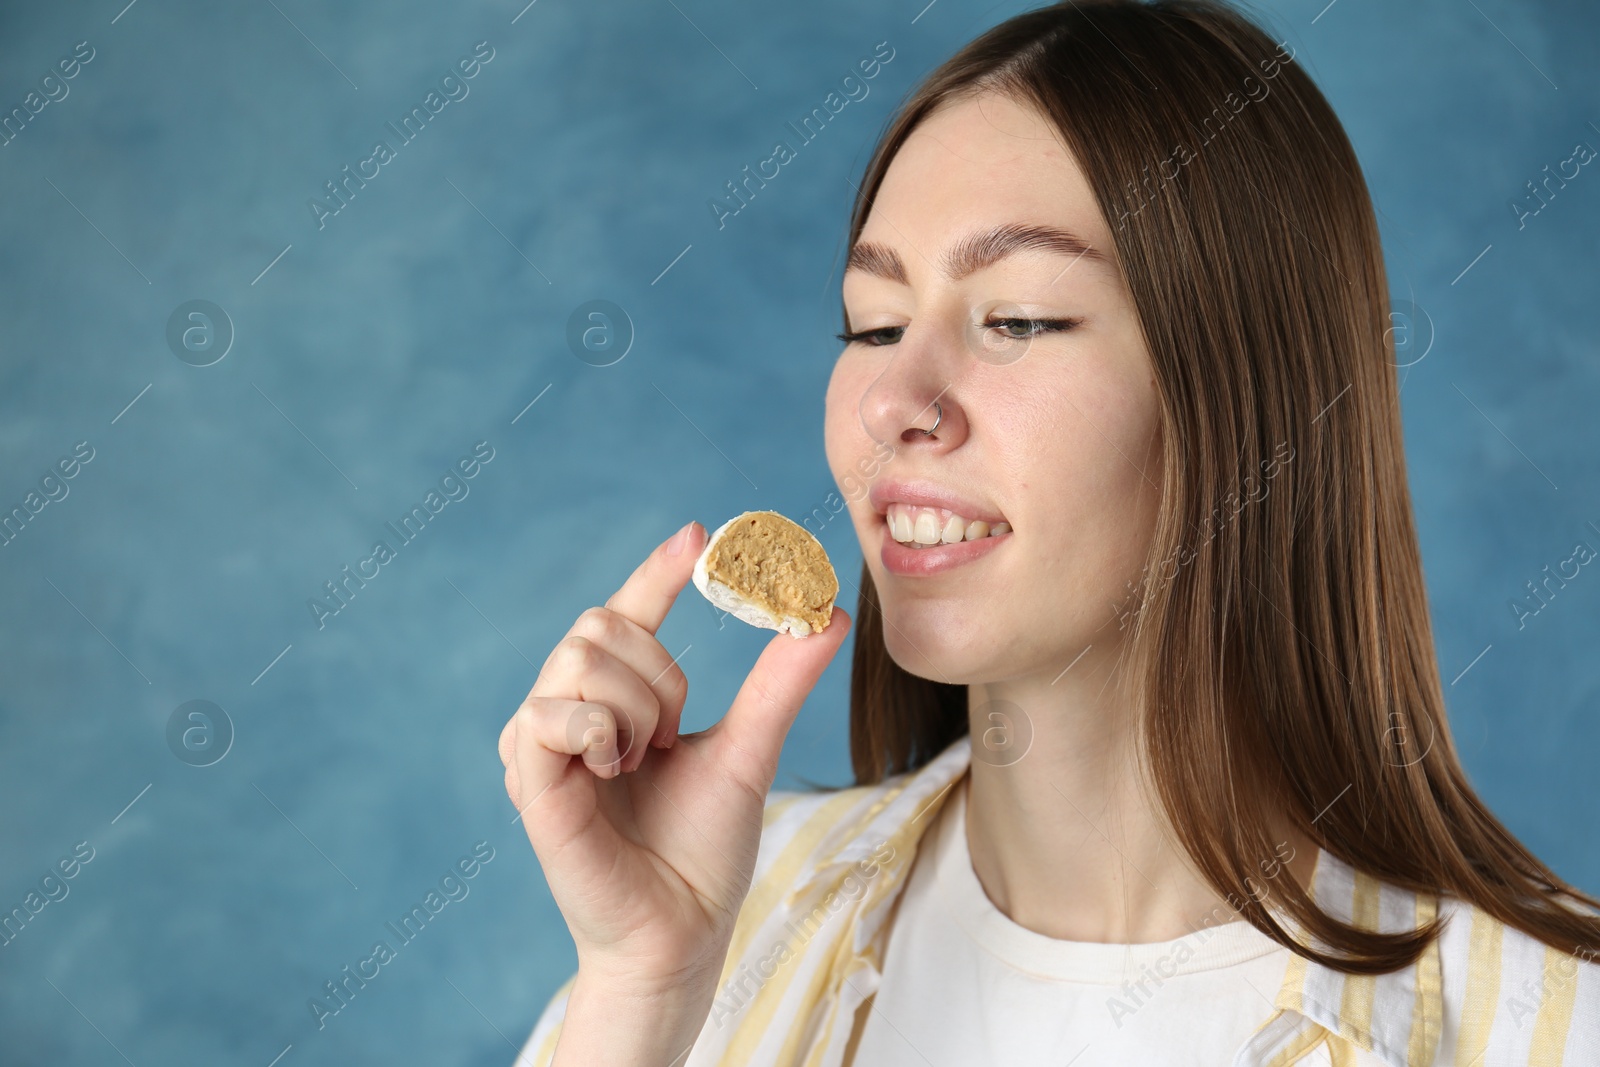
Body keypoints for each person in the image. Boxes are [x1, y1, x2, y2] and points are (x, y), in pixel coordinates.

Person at [499, 1, 1600, 1063]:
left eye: (1017, 318)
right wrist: (640, 992)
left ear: (1248, 391)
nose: (893, 399)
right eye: (874, 323)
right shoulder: (719, 914)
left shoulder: (1553, 1022)